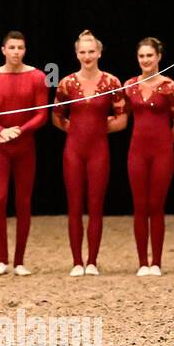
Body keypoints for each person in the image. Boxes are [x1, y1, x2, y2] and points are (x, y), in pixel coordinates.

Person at [52, 30, 127, 276]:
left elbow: (122, 119)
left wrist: (98, 127)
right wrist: (74, 128)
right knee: (74, 206)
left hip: (99, 151)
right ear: (76, 54)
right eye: (82, 52)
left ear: (99, 53)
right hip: (73, 151)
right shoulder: (66, 83)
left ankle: (92, 261)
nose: (87, 56)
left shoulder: (112, 82)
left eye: (91, 51)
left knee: (96, 205)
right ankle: (76, 262)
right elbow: (56, 116)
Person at [0, 31, 49, 277]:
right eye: (12, 47)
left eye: (20, 47)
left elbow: (42, 114)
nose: (16, 52)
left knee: (23, 202)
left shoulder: (38, 77)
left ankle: (19, 260)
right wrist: (1, 131)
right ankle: (2, 259)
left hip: (24, 146)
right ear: (3, 50)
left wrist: (19, 131)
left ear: (25, 50)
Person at [123, 37, 174, 276]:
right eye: (142, 56)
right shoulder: (129, 86)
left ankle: (156, 262)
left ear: (159, 57)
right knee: (139, 206)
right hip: (136, 153)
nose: (146, 60)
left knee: (156, 206)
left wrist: (164, 145)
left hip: (162, 153)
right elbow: (121, 117)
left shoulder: (170, 86)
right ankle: (142, 263)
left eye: (150, 55)